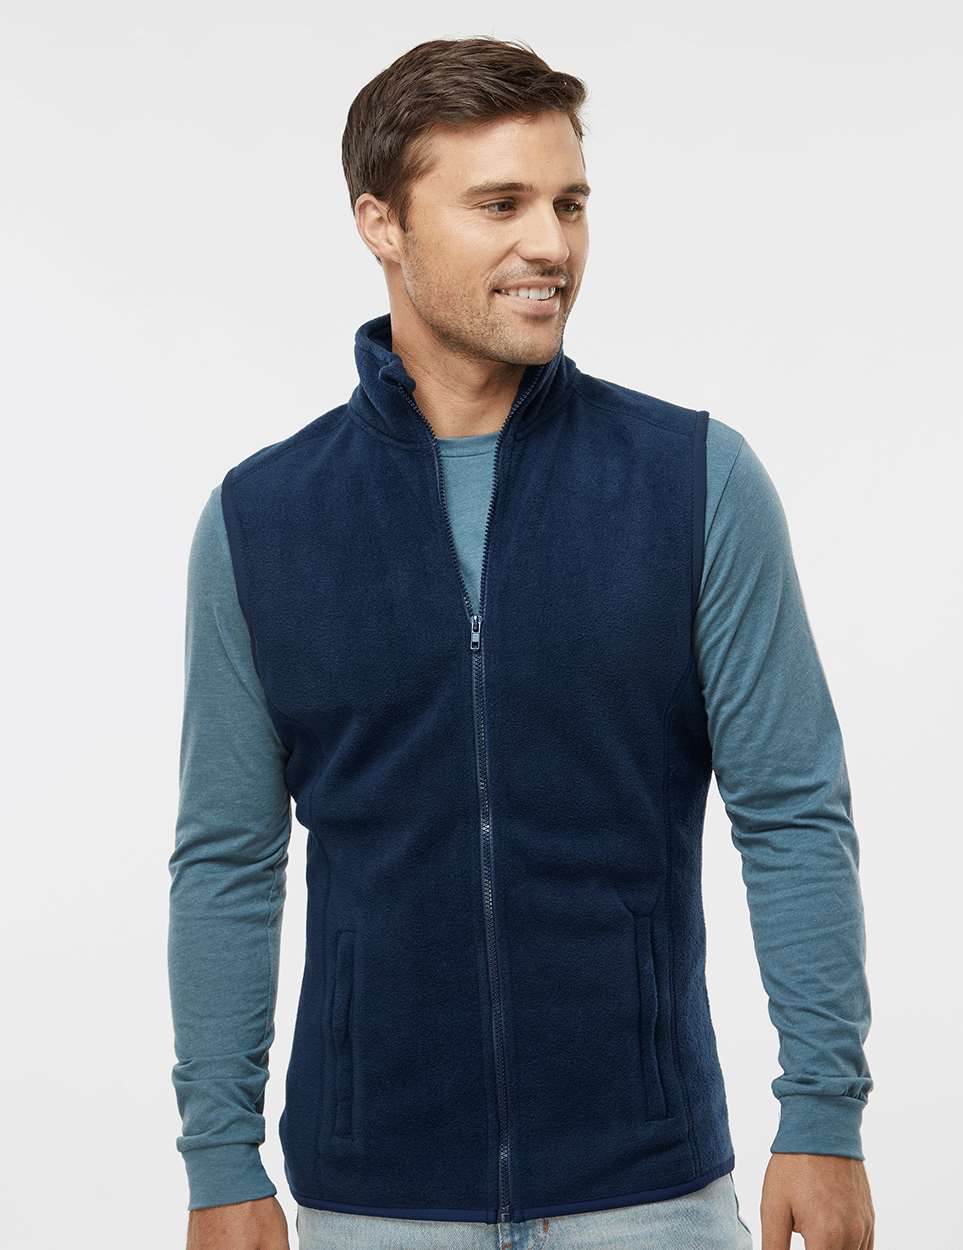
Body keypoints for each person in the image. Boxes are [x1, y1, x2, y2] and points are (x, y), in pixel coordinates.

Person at [168, 36, 875, 1250]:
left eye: (569, 203)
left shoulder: (693, 482)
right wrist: (219, 1157)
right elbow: (228, 858)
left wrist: (823, 1110)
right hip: (371, 1200)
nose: (550, 242)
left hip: (649, 1193)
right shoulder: (263, 520)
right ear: (380, 224)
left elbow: (792, 810)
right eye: (499, 204)